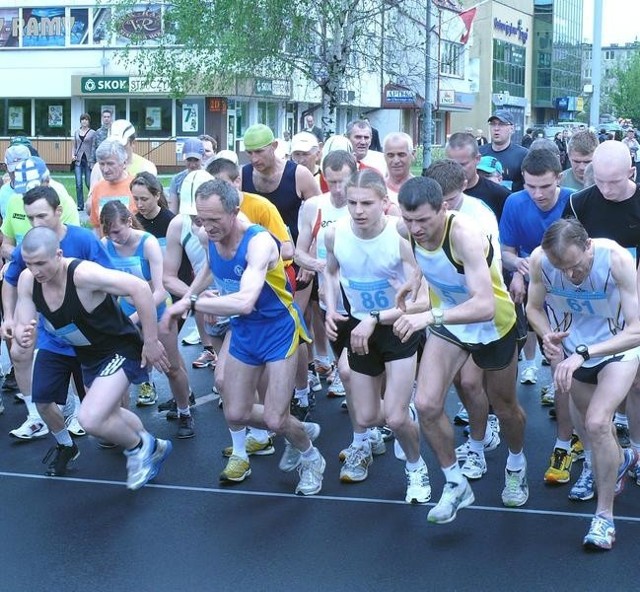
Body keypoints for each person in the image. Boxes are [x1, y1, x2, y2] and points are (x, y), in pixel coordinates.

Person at [162, 179, 326, 495]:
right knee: (235, 412)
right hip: (245, 332)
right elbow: (210, 267)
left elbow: (245, 300)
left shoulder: (259, 243)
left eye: (214, 220)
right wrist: (192, 294)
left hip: (278, 330)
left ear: (235, 212)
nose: (206, 227)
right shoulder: (207, 235)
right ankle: (297, 429)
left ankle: (311, 456)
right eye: (200, 219)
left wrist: (191, 303)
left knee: (277, 420)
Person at [395, 176, 527, 523]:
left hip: (493, 323)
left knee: (505, 407)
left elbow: (484, 304)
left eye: (423, 220)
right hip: (451, 323)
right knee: (425, 404)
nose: (416, 228)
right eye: (409, 221)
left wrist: (428, 315)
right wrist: (415, 283)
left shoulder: (464, 234)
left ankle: (516, 462)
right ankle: (455, 483)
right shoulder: (406, 231)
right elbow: (429, 264)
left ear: (444, 208)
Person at [14, 226, 172, 491]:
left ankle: (138, 448)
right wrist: (22, 332)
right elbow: (24, 318)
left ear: (59, 255)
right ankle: (153, 445)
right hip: (88, 354)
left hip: (119, 348)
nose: (36, 270)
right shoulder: (29, 280)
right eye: (30, 264)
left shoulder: (83, 275)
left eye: (41, 263)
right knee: (109, 413)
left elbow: (140, 288)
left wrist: (151, 340)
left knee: (90, 419)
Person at [526, 218, 640, 550]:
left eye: (576, 266)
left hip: (616, 347)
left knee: (598, 422)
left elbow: (636, 329)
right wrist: (547, 334)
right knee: (584, 424)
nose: (571, 276)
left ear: (588, 246)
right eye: (562, 269)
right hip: (572, 346)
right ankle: (604, 462)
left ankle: (604, 518)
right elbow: (532, 308)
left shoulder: (615, 259)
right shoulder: (540, 261)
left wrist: (583, 352)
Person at [323, 168, 430, 502]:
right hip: (359, 328)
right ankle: (405, 417)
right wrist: (329, 307)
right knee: (369, 416)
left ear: (385, 202)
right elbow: (330, 271)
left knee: (394, 417)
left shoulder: (401, 238)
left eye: (366, 203)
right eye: (352, 202)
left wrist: (377, 316)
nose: (358, 210)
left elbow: (421, 300)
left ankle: (416, 469)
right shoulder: (335, 234)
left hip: (397, 328)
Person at [1, 186, 113, 468]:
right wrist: (11, 319)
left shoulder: (84, 239)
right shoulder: (31, 244)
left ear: (58, 212)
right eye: (29, 218)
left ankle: (138, 443)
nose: (35, 224)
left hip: (91, 339)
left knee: (103, 414)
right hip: (54, 339)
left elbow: (112, 283)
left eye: (41, 216)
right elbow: (12, 279)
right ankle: (65, 445)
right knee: (43, 400)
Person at [499, 148, 575, 484]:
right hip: (533, 287)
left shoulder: (576, 202)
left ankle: (576, 436)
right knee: (558, 366)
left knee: (576, 372)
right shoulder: (515, 202)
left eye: (545, 186)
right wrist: (516, 269)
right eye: (531, 186)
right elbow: (506, 249)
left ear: (559, 178)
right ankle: (563, 440)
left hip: (571, 292)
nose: (538, 194)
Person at [564, 139, 640, 461]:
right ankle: (604, 451)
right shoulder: (580, 203)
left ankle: (636, 448)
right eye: (600, 180)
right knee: (591, 380)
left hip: (633, 294)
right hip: (595, 303)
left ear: (631, 172)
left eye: (615, 181)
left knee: (637, 383)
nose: (606, 189)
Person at [240, 123, 319, 245]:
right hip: (253, 253)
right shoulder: (242, 175)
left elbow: (319, 216)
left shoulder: (299, 174)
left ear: (274, 146)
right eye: (249, 153)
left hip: (290, 257)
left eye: (259, 152)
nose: (254, 159)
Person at [1, 156, 79, 260]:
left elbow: (73, 247)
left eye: (34, 189)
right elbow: (5, 246)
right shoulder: (14, 200)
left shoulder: (64, 202)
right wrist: (25, 259)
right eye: (24, 191)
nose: (29, 195)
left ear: (46, 182)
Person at [445, 132, 510, 222]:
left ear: (477, 159)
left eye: (463, 164)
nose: (457, 169)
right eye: (451, 164)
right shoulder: (437, 192)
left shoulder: (500, 195)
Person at [90, 119, 157, 188]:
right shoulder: (99, 168)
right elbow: (92, 197)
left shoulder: (146, 168)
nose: (116, 149)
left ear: (133, 143)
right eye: (112, 145)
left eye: (121, 145)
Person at [88, 139, 135, 232]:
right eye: (102, 164)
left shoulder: (136, 187)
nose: (105, 170)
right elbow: (96, 226)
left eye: (110, 164)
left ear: (124, 163)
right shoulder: (98, 188)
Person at [479, 110, 528, 191]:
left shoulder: (523, 155)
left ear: (512, 129)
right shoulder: (479, 153)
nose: (496, 128)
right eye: (493, 124)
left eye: (501, 124)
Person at [168, 138, 205, 213]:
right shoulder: (177, 180)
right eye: (189, 160)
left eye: (196, 160)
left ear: (202, 157)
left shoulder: (209, 178)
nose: (192, 165)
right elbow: (173, 210)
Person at [71, 113, 95, 211]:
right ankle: (80, 205)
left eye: (86, 119)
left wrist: (93, 160)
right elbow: (74, 146)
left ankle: (92, 202)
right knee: (78, 183)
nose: (84, 121)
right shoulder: (76, 132)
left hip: (88, 160)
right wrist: (72, 155)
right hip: (78, 161)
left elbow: (94, 147)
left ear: (89, 121)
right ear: (80, 121)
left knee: (89, 183)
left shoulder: (93, 133)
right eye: (82, 119)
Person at [383, 132, 415, 196]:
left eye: (401, 155)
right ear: (384, 156)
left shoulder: (421, 189)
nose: (396, 161)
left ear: (413, 155)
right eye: (391, 155)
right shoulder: (375, 189)